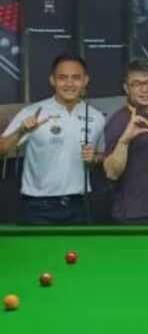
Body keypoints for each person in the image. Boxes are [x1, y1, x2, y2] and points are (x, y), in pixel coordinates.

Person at [0, 54, 104, 224]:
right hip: (38, 207)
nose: (69, 84)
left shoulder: (96, 116)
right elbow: (1, 149)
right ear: (52, 80)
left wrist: (94, 158)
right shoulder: (33, 112)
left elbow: (101, 155)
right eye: (63, 78)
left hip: (79, 206)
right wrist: (21, 131)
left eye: (76, 78)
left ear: (85, 80)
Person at [103, 58, 148, 224]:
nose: (145, 89)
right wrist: (124, 141)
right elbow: (111, 172)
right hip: (133, 213)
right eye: (137, 84)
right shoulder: (120, 120)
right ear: (126, 88)